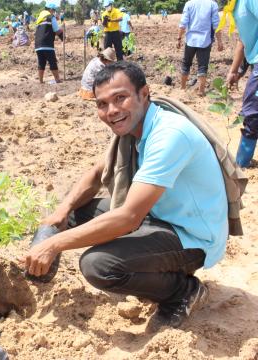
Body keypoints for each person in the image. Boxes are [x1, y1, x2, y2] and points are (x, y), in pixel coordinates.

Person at [22, 61, 229, 330]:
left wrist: (54, 245)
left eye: (120, 98)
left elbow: (129, 217)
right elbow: (98, 173)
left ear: (144, 94)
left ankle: (183, 291)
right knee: (70, 213)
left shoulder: (169, 135)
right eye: (102, 104)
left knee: (98, 265)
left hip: (194, 235)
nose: (112, 111)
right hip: (159, 214)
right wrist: (61, 213)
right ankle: (39, 277)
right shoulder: (135, 128)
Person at [221, 0, 258, 168]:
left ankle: (241, 163)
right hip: (254, 62)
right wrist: (234, 71)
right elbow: (243, 41)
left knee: (251, 112)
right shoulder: (234, 6)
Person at [177, 0, 224, 96]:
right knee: (203, 66)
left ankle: (182, 88)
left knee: (186, 64)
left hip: (190, 40)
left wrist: (179, 38)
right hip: (205, 41)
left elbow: (183, 23)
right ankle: (201, 91)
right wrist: (219, 41)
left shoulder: (189, 4)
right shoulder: (212, 4)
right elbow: (216, 25)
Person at [34, 2, 64, 84]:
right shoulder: (51, 17)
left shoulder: (39, 18)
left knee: (41, 62)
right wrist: (62, 32)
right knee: (52, 61)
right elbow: (56, 30)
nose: (54, 12)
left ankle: (41, 81)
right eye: (53, 10)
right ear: (50, 10)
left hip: (38, 45)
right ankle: (57, 79)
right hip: (47, 43)